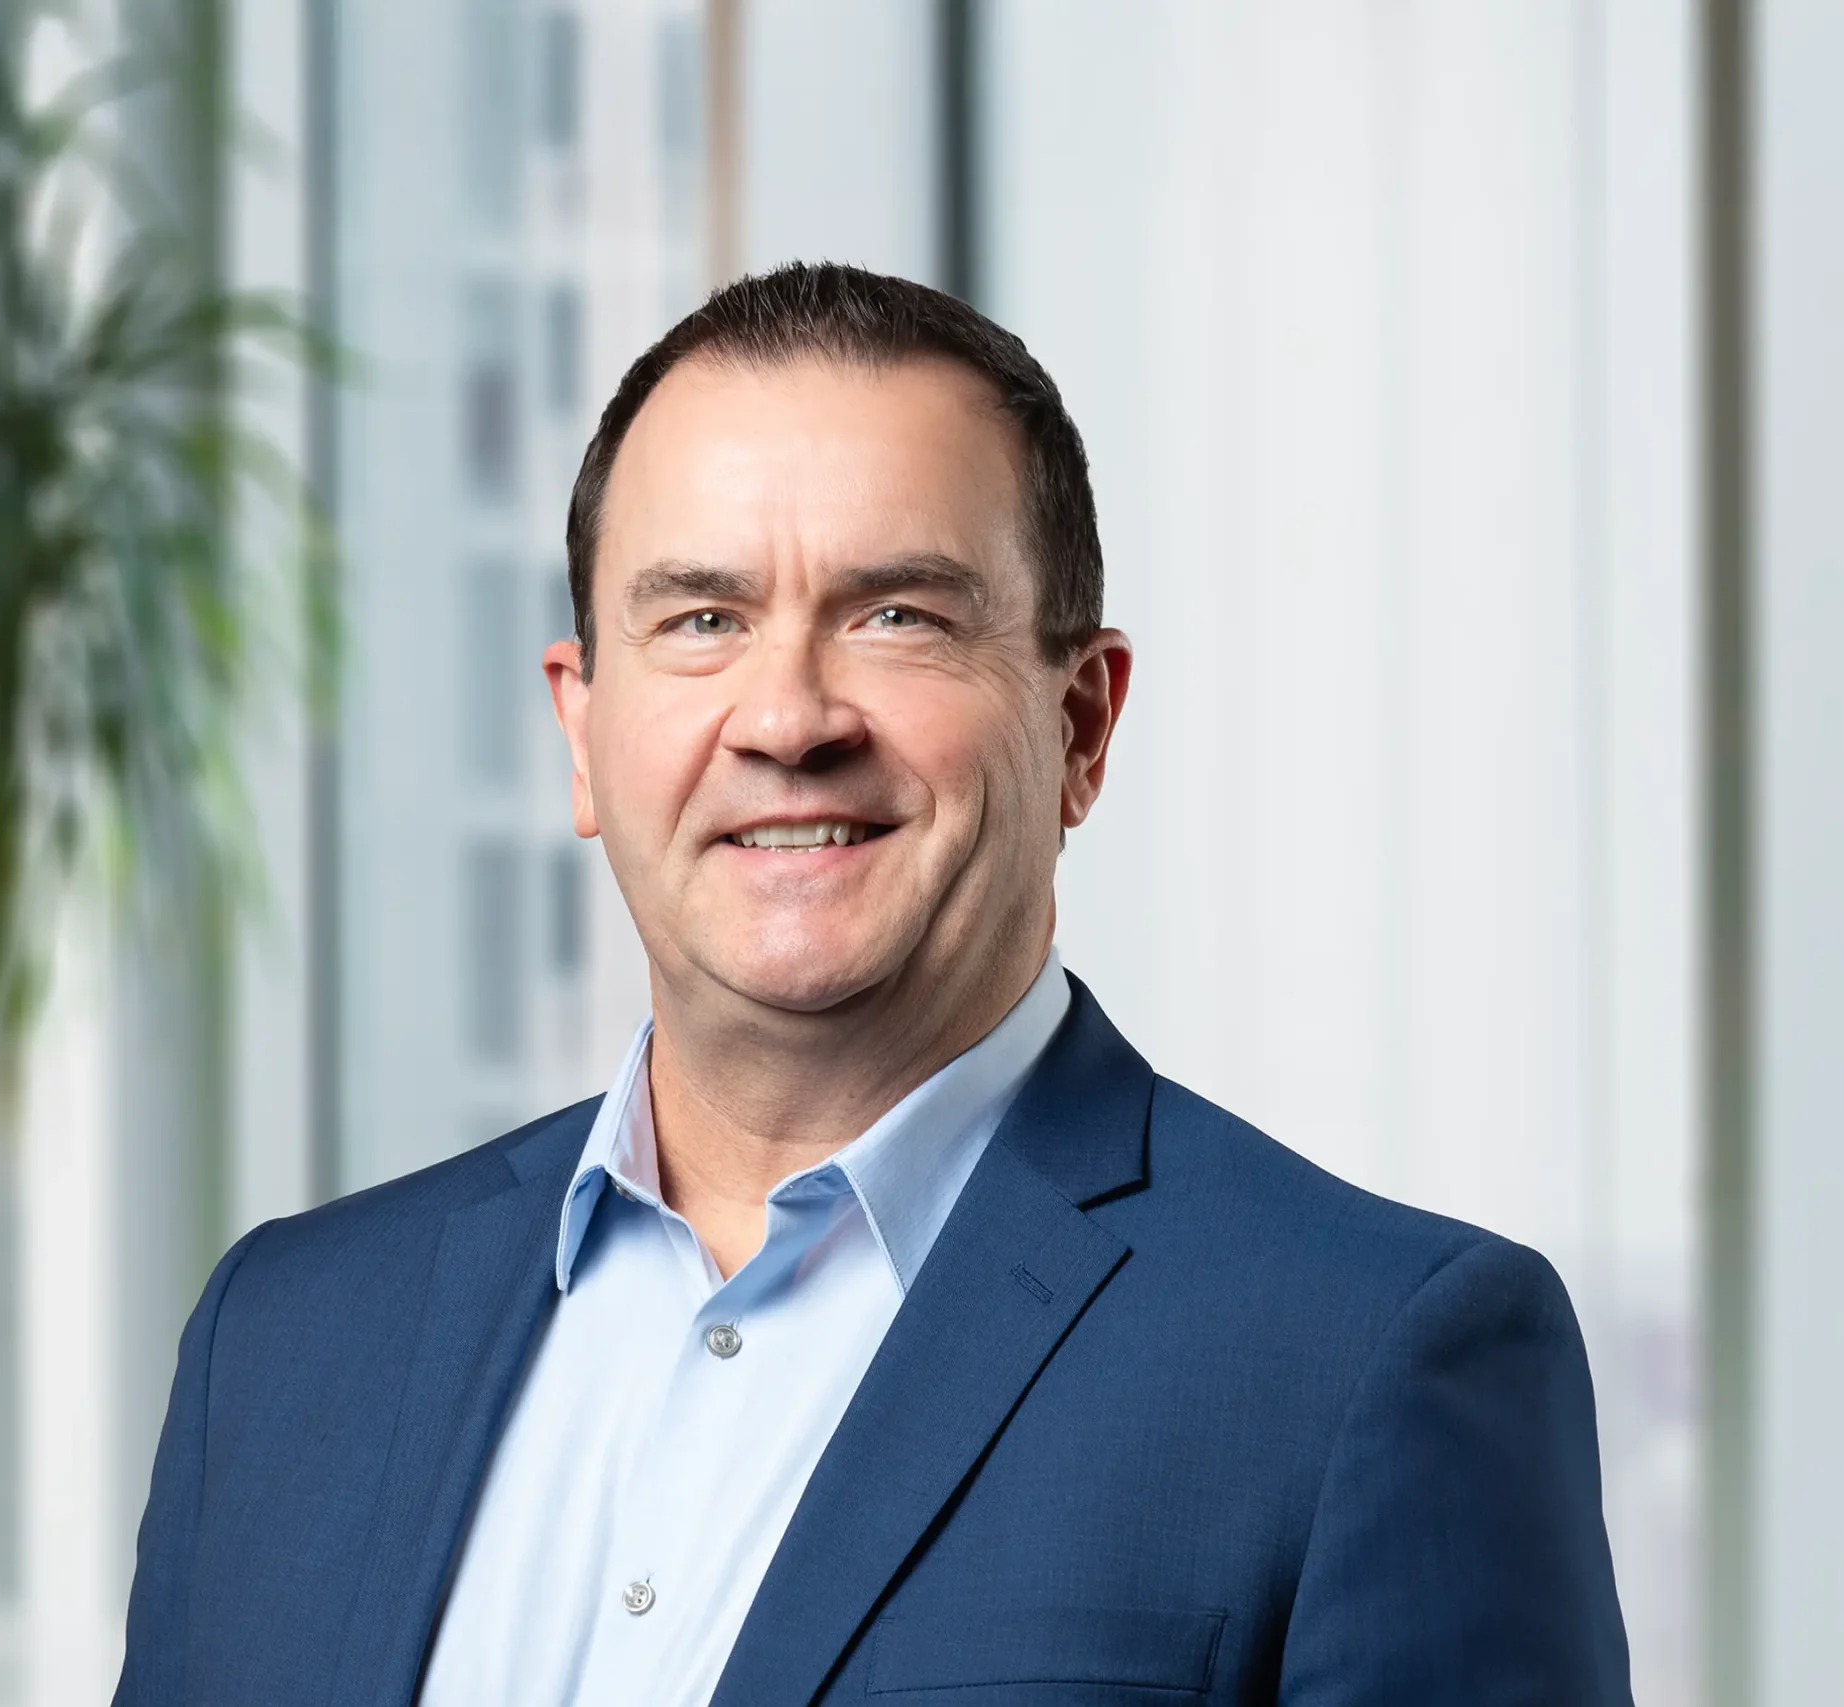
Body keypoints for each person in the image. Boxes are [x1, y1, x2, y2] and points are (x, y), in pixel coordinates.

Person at [111, 262, 1631, 1707]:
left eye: (898, 614)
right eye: (701, 618)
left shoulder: (1366, 1357)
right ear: (583, 731)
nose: (786, 715)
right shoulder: (286, 1342)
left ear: (1082, 725)